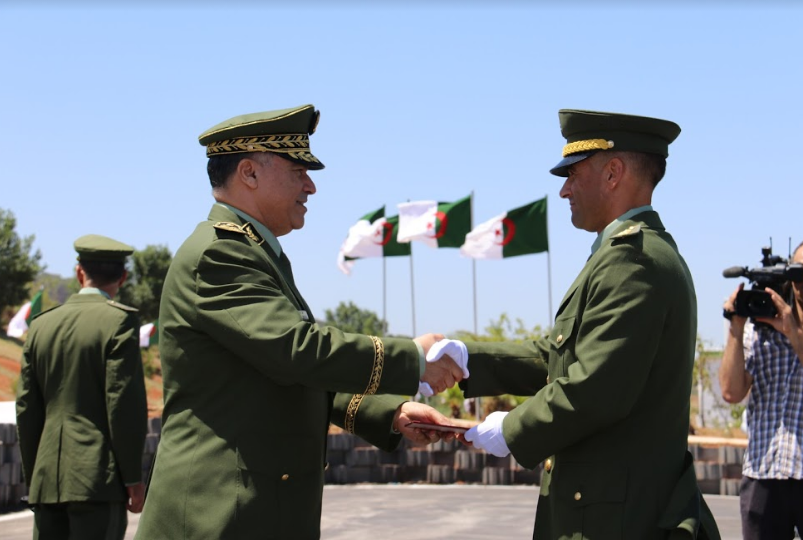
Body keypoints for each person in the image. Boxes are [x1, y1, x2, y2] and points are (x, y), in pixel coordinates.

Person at [134, 104, 464, 540]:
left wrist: (392, 411)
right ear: (249, 173)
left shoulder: (256, 253)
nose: (310, 185)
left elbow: (291, 376)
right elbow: (297, 351)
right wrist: (412, 358)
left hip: (250, 509)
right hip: (217, 514)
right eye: (297, 171)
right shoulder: (221, 254)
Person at [427, 109, 721, 539]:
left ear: (613, 173)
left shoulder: (631, 261)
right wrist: (471, 357)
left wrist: (511, 428)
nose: (564, 190)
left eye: (572, 173)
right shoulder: (627, 254)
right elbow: (560, 355)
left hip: (615, 521)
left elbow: (596, 388)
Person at [16, 234, 148, 540]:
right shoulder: (119, 323)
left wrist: (36, 476)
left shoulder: (40, 325)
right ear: (123, 277)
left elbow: (26, 408)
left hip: (47, 480)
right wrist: (132, 478)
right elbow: (122, 404)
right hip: (97, 482)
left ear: (79, 272)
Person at [719, 241, 803, 539]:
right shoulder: (759, 331)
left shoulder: (788, 328)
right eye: (798, 275)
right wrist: (736, 327)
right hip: (763, 475)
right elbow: (731, 392)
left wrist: (793, 332)